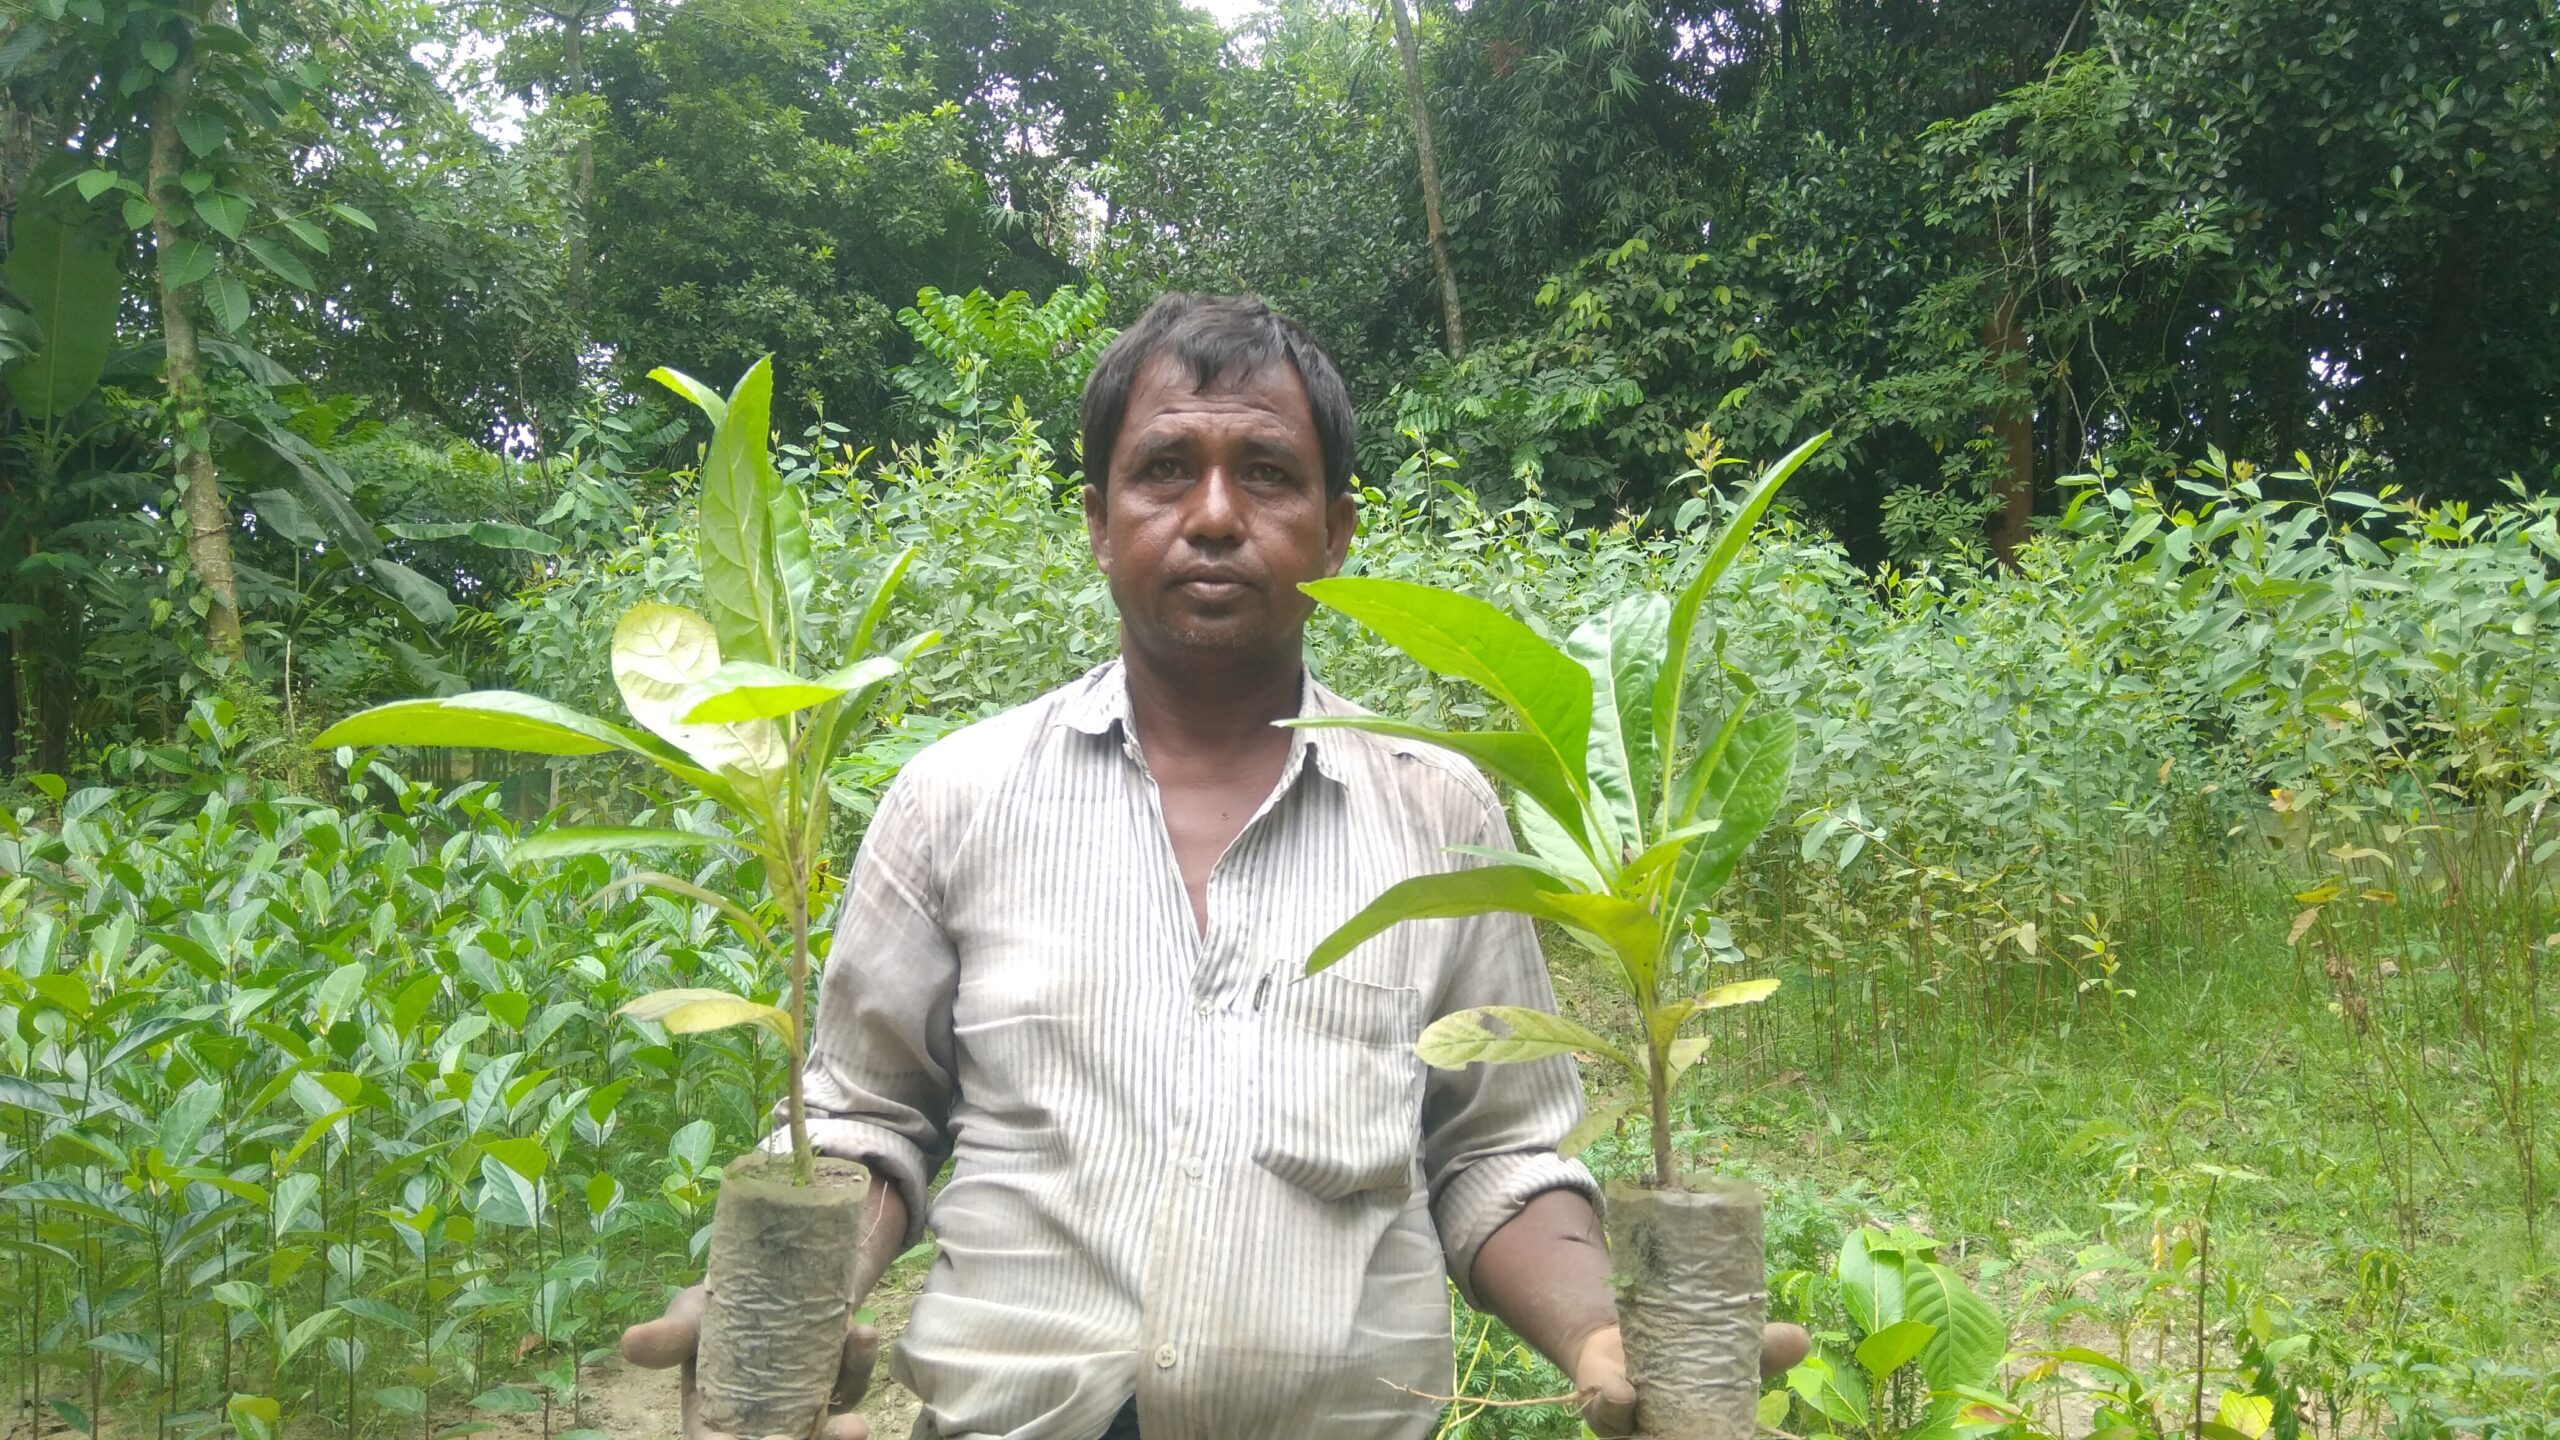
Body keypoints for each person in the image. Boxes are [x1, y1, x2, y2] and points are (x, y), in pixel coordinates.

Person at [620, 294, 1809, 1439]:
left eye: (1270, 473)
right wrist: (773, 1305)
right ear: (1098, 519)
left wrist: (1605, 1338)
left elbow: (1493, 1153)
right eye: (1164, 469)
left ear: (1339, 530)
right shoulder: (957, 797)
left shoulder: (1436, 806)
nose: (1215, 514)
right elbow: (868, 1121)